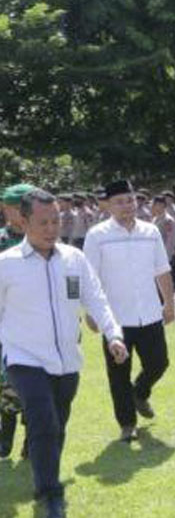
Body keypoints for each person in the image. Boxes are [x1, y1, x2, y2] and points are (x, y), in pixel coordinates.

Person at [0, 188, 128, 518]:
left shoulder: (75, 259)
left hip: (68, 362)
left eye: (55, 220)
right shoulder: (7, 265)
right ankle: (49, 492)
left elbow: (96, 299)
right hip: (24, 359)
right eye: (43, 222)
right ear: (24, 221)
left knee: (56, 424)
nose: (51, 228)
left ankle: (47, 474)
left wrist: (114, 335)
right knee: (42, 420)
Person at [82, 179, 175, 442]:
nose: (127, 206)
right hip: (115, 319)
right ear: (108, 205)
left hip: (149, 312)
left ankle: (140, 391)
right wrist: (91, 311)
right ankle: (127, 424)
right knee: (118, 373)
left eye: (130, 200)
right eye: (120, 202)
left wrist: (169, 303)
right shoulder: (98, 235)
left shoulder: (150, 231)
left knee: (159, 362)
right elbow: (90, 276)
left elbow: (162, 269)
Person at [0, 183, 35, 462]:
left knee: (37, 383)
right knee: (5, 379)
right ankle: (6, 432)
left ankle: (30, 440)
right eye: (13, 207)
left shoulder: (43, 241)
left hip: (36, 324)